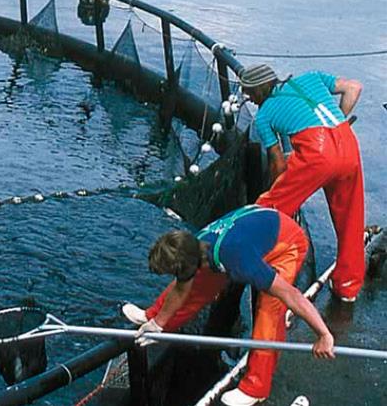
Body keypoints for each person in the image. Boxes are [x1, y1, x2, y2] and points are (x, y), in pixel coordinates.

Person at [122, 205, 335, 406]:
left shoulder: (241, 261)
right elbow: (181, 288)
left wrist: (323, 335)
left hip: (286, 242)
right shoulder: (194, 245)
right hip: (250, 227)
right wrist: (158, 323)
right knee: (196, 286)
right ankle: (153, 319)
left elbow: (292, 296)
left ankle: (256, 388)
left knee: (269, 310)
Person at [239, 64, 364, 302]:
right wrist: (340, 119)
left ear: (261, 88)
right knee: (351, 219)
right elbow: (354, 88)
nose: (250, 99)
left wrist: (279, 191)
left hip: (318, 154)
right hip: (347, 143)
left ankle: (250, 258)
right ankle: (347, 288)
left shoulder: (264, 115)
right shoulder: (312, 77)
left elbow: (276, 162)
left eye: (250, 92)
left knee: (268, 207)